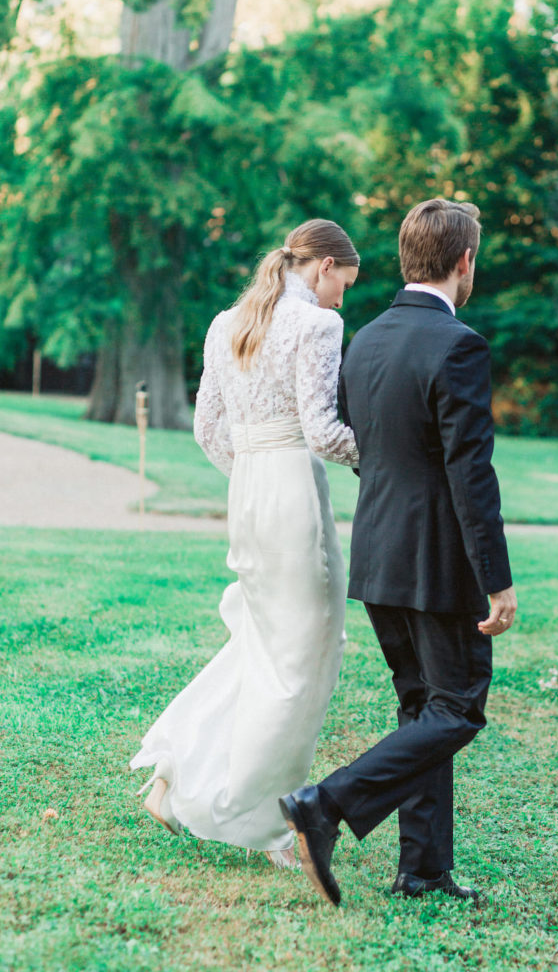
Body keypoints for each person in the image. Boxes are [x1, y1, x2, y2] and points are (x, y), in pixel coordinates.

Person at [280, 198, 517, 903]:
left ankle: (422, 869)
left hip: (378, 554)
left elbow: (370, 447)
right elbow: (470, 474)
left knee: (422, 710)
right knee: (457, 708)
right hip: (436, 564)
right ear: (464, 260)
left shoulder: (366, 339)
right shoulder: (459, 345)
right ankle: (325, 803)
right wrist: (496, 579)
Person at [131, 219, 360, 869]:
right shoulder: (318, 326)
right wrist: (385, 457)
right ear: (322, 266)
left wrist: (253, 473)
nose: (341, 296)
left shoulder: (224, 324)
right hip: (292, 495)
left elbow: (208, 431)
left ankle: (174, 772)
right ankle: (269, 819)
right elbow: (323, 433)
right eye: (344, 282)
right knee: (304, 658)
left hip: (249, 494)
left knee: (262, 643)